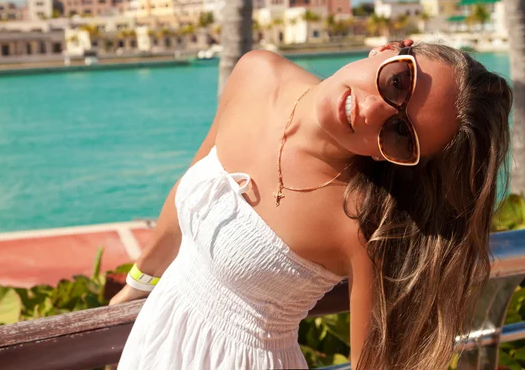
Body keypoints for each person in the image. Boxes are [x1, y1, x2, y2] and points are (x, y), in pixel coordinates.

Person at [110, 40, 512, 370]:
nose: (371, 111)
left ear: (388, 157)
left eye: (400, 134)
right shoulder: (257, 73)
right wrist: (138, 284)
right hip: (154, 340)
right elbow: (192, 183)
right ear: (387, 50)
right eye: (397, 83)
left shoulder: (358, 223)